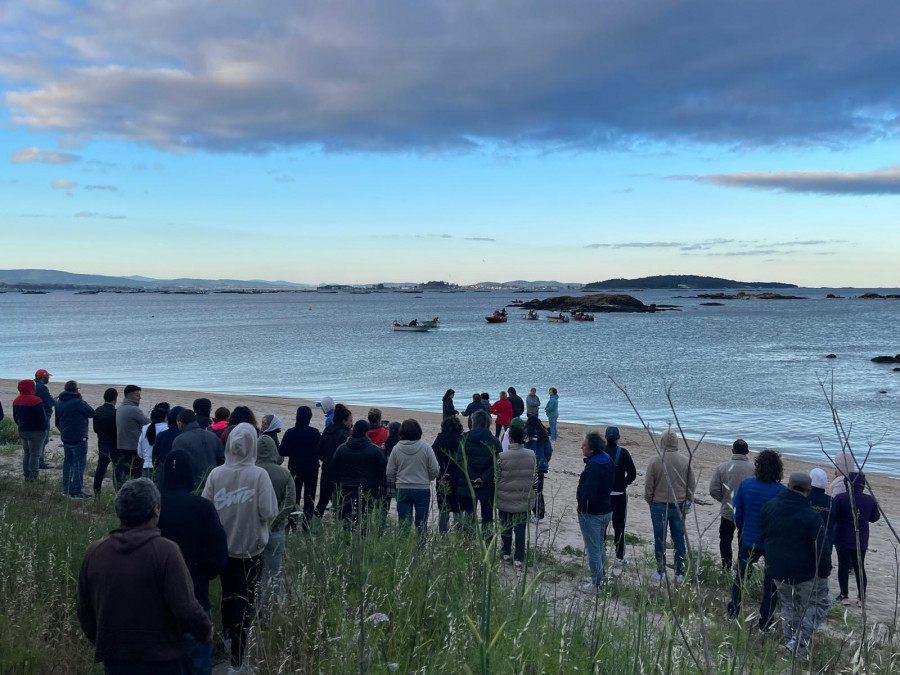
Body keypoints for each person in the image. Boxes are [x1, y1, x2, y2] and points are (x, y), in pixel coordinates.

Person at [77, 478, 213, 673]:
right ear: (156, 511)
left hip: (116, 660)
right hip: (162, 660)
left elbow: (84, 611)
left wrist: (108, 643)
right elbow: (186, 609)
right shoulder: (166, 551)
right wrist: (206, 630)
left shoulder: (95, 552)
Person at [202, 423, 277, 672]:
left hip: (224, 548)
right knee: (245, 601)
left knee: (228, 594)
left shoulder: (216, 474)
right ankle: (237, 661)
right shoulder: (258, 476)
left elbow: (206, 508)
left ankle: (228, 637)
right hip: (251, 549)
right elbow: (269, 511)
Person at [157, 450, 228, 675]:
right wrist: (202, 574)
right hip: (194, 598)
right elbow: (219, 557)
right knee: (196, 665)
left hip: (154, 604)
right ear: (191, 476)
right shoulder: (202, 507)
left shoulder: (151, 507)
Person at [760, 472, 829, 658]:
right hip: (804, 572)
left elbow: (764, 534)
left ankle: (792, 644)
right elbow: (822, 548)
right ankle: (797, 644)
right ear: (808, 492)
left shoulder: (770, 507)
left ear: (788, 486)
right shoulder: (811, 517)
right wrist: (823, 573)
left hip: (777, 568)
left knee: (790, 605)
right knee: (820, 603)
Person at [728, 449, 785, 630]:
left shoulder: (746, 486)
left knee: (741, 578)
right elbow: (783, 518)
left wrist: (741, 528)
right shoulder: (781, 491)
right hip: (772, 543)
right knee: (771, 586)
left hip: (749, 539)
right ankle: (765, 623)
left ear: (758, 466)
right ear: (778, 469)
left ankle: (733, 612)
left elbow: (736, 511)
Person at [644, 428, 696, 582]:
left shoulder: (655, 460)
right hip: (678, 504)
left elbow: (649, 485)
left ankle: (660, 571)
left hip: (659, 504)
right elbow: (691, 485)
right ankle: (680, 572)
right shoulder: (685, 460)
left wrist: (650, 500)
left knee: (660, 538)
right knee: (679, 539)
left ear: (662, 442)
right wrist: (687, 498)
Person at [256, 427, 296, 617]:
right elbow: (290, 504)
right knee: (274, 572)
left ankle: (256, 609)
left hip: (254, 529)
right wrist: (276, 521)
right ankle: (269, 612)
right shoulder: (284, 474)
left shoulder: (251, 472)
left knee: (255, 573)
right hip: (276, 530)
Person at [832, 472, 880, 607]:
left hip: (842, 537)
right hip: (861, 538)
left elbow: (833, 515)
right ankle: (861, 598)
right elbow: (874, 518)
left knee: (843, 566)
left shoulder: (840, 498)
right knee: (859, 567)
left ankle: (844, 596)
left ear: (847, 484)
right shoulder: (870, 500)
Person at [331, 420, 388, 528]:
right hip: (368, 490)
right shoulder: (375, 450)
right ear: (367, 433)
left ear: (353, 431)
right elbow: (382, 470)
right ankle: (363, 541)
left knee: (347, 521)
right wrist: (376, 483)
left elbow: (334, 470)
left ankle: (348, 542)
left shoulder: (341, 449)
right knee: (365, 521)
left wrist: (339, 483)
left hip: (346, 489)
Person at [577, 431, 615, 592]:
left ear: (592, 449)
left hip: (593, 513)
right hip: (605, 508)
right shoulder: (607, 460)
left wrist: (582, 506)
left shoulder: (594, 467)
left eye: (584, 445)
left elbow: (590, 493)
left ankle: (596, 583)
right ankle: (601, 577)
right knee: (599, 545)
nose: (582, 447)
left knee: (593, 548)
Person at [387, 419, 440, 533]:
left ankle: (405, 547)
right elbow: (435, 469)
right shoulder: (426, 447)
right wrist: (428, 478)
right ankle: (420, 547)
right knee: (421, 523)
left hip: (402, 488)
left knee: (404, 524)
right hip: (422, 488)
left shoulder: (396, 449)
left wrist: (398, 479)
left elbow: (389, 472)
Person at [454, 410, 501, 540]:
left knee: (469, 516)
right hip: (487, 484)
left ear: (473, 422)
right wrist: (483, 477)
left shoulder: (464, 439)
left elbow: (461, 461)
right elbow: (497, 463)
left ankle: (469, 543)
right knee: (487, 516)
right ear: (488, 423)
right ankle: (487, 543)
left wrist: (474, 476)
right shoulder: (494, 441)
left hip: (468, 483)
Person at [708, 439, 755, 569]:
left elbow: (713, 490)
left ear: (732, 451)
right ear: (747, 452)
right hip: (747, 511)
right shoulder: (755, 469)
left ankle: (726, 566)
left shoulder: (722, 467)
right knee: (744, 541)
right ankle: (741, 568)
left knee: (725, 539)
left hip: (728, 509)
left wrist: (724, 499)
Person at [497, 425, 535, 568]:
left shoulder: (502, 456)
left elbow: (497, 476)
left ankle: (506, 552)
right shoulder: (532, 454)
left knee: (505, 526)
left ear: (510, 438)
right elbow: (535, 478)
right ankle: (519, 557)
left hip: (505, 497)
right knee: (520, 529)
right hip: (524, 497)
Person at [279, 405, 321, 527]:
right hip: (311, 468)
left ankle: (292, 523)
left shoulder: (290, 433)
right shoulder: (314, 433)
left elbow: (282, 451)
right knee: (309, 497)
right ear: (310, 417)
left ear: (297, 417)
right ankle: (306, 525)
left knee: (294, 497)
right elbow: (319, 450)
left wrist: (294, 451)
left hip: (295, 467)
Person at [53, 380, 96, 498]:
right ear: (75, 389)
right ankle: (76, 490)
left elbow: (57, 422)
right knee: (78, 464)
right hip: (78, 438)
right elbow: (92, 413)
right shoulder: (78, 402)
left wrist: (64, 431)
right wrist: (81, 399)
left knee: (68, 463)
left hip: (66, 438)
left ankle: (66, 488)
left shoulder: (58, 402)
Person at [807, 468, 835, 636]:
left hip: (804, 545)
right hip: (825, 545)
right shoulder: (831, 502)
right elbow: (835, 520)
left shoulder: (805, 498)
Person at [605, 426, 637, 565]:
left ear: (605, 437)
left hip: (604, 494)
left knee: (602, 524)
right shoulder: (623, 453)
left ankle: (602, 551)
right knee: (619, 525)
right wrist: (624, 483)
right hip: (619, 493)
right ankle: (619, 557)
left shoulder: (601, 452)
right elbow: (632, 474)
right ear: (618, 438)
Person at [314, 404, 352, 518]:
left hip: (327, 470)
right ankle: (341, 529)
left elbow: (319, 452)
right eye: (350, 421)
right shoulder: (347, 435)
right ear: (344, 421)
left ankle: (313, 527)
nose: (351, 423)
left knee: (322, 501)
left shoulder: (327, 430)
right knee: (343, 502)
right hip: (342, 473)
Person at [170, 408, 224, 488]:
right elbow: (221, 459)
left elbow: (176, 465)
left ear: (180, 423)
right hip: (213, 483)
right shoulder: (212, 436)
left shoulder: (179, 440)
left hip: (191, 485)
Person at [432, 415, 464, 533]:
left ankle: (442, 534)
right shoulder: (461, 440)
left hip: (442, 477)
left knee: (443, 509)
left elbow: (433, 458)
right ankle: (459, 534)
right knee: (458, 509)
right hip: (458, 478)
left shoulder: (439, 440)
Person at [115, 384, 150, 487]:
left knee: (127, 473)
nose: (139, 398)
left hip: (122, 445)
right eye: (137, 395)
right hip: (133, 446)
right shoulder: (134, 409)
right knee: (136, 474)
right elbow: (148, 423)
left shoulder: (121, 408)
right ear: (129, 396)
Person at [13, 379, 47, 482]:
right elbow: (42, 417)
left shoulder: (16, 400)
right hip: (36, 431)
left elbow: (15, 417)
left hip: (23, 429)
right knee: (35, 455)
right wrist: (44, 429)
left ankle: (26, 475)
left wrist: (20, 425)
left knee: (27, 453)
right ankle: (33, 477)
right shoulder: (36, 400)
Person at [524, 416, 553, 522]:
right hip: (539, 465)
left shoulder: (524, 433)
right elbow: (549, 451)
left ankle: (526, 513)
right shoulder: (543, 434)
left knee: (526, 489)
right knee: (538, 491)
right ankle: (539, 515)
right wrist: (545, 461)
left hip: (526, 465)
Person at [92, 388, 118, 495]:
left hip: (102, 442)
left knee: (101, 468)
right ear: (115, 399)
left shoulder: (97, 411)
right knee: (117, 469)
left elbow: (95, 429)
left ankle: (97, 491)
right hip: (114, 443)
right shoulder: (116, 413)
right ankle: (118, 491)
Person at [137, 405, 168, 476]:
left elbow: (140, 451)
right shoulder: (166, 429)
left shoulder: (145, 428)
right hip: (161, 468)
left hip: (146, 467)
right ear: (165, 417)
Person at [34, 368, 55, 469]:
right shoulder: (41, 387)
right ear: (43, 377)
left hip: (35, 415)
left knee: (38, 440)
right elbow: (49, 402)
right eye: (47, 377)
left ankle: (37, 461)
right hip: (43, 415)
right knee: (43, 439)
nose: (48, 379)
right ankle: (40, 461)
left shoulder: (34, 385)